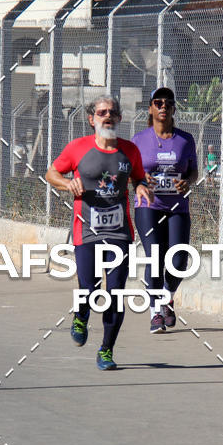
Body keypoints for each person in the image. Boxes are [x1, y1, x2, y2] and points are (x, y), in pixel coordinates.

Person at [45, 94, 152, 371]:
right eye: (102, 112)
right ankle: (81, 316)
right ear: (92, 119)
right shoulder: (77, 148)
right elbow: (51, 173)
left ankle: (106, 349)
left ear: (118, 118)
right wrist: (67, 183)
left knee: (115, 293)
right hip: (87, 233)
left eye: (112, 112)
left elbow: (139, 176)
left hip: (119, 233)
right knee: (89, 288)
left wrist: (140, 186)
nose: (107, 116)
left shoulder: (130, 151)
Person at [132, 87, 198, 334]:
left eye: (168, 103)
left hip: (177, 206)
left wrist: (187, 182)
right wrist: (140, 181)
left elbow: (193, 171)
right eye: (158, 102)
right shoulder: (139, 140)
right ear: (150, 108)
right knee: (155, 256)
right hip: (149, 205)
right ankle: (155, 313)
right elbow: (132, 174)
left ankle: (167, 298)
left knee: (179, 260)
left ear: (173, 109)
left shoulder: (185, 139)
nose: (163, 106)